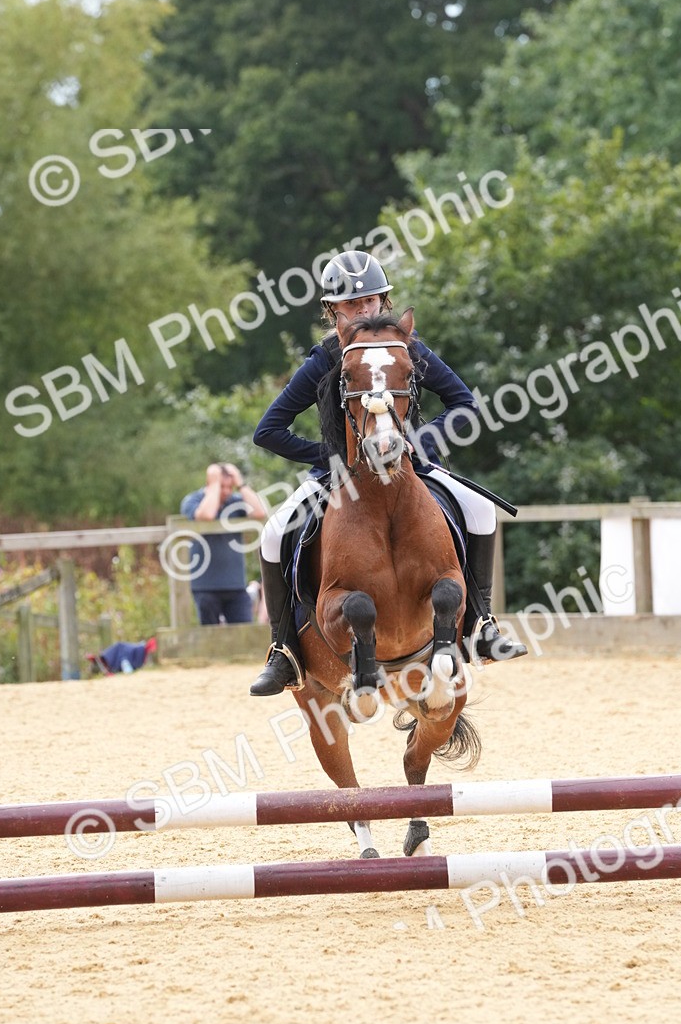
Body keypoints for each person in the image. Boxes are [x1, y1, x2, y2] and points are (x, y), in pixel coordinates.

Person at [249, 249, 527, 696]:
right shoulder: (325, 358)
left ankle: (482, 623)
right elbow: (269, 430)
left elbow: (465, 404)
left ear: (385, 301)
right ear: (333, 310)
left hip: (409, 466)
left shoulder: (408, 348)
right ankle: (282, 650)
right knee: (274, 531)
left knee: (481, 511)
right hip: (342, 475)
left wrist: (419, 444)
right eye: (352, 304)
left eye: (372, 301)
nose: (364, 309)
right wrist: (330, 457)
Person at [180, 463, 267, 625]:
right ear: (210, 483)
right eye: (222, 486)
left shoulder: (235, 502)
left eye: (230, 486)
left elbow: (260, 512)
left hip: (236, 586)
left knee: (244, 639)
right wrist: (214, 484)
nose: (227, 491)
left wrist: (240, 483)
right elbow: (206, 515)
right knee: (211, 642)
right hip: (205, 587)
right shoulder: (192, 500)